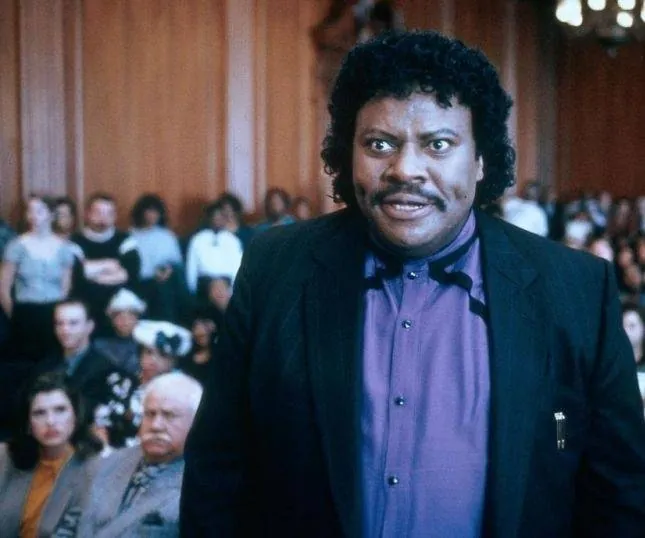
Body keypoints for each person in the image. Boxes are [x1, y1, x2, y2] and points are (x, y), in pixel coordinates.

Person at [181, 30, 645, 537]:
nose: (405, 169)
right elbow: (217, 474)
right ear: (348, 154)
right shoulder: (276, 269)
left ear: (481, 159)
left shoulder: (576, 290)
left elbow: (619, 496)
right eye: (379, 144)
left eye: (438, 144)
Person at [65, 372, 202, 537]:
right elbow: (69, 525)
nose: (156, 425)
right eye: (150, 414)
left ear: (195, 422)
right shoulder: (109, 462)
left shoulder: (201, 484)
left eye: (169, 415)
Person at [0, 372, 102, 537]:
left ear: (76, 415)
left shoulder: (93, 471)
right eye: (39, 413)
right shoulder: (5, 457)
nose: (50, 421)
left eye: (60, 410)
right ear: (28, 423)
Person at [1, 194, 75, 361]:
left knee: (53, 361)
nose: (34, 216)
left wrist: (60, 315)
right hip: (25, 312)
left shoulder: (63, 247)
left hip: (53, 312)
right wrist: (15, 315)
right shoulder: (16, 245)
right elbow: (3, 287)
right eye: (30, 211)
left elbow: (65, 286)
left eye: (39, 211)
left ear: (51, 214)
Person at [71, 193, 141, 336]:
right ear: (87, 214)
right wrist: (109, 264)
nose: (103, 218)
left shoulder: (126, 240)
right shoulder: (75, 241)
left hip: (118, 302)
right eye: (98, 212)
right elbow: (76, 275)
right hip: (86, 299)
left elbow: (129, 274)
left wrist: (91, 273)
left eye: (109, 213)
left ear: (115, 216)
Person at [129, 194, 187, 322]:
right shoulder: (130, 236)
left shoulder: (167, 236)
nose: (152, 215)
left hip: (164, 279)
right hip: (139, 281)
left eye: (156, 212)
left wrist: (168, 270)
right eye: (149, 211)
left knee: (167, 287)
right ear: (141, 212)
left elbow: (176, 262)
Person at [185, 200, 243, 295]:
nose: (217, 219)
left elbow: (237, 266)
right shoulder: (198, 239)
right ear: (209, 218)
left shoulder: (233, 240)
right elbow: (191, 266)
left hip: (226, 283)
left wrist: (232, 290)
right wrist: (192, 290)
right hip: (205, 283)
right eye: (214, 216)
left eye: (220, 216)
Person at [94, 288, 147, 377]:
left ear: (137, 318)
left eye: (130, 317)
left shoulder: (146, 345)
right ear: (112, 320)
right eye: (119, 317)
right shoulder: (100, 346)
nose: (125, 321)